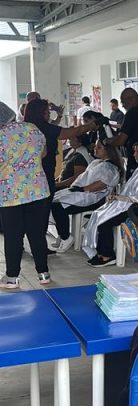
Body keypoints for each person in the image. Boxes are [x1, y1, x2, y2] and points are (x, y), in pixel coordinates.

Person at [82, 139, 138, 266]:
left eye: (137, 152)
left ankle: (108, 255)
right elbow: (128, 190)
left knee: (105, 223)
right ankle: (100, 252)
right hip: (127, 204)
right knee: (98, 215)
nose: (134, 155)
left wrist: (124, 199)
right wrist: (118, 197)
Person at [0, 101, 51, 288]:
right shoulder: (32, 128)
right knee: (37, 233)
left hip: (11, 193)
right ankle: (43, 273)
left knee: (13, 235)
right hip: (37, 190)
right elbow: (43, 153)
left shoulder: (1, 135)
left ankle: (12, 277)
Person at [50, 141, 123, 252]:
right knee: (52, 201)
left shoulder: (109, 167)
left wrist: (82, 189)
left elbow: (101, 184)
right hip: (81, 192)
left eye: (99, 147)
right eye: (95, 147)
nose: (95, 149)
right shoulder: (97, 162)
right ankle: (62, 233)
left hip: (92, 197)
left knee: (58, 206)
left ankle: (66, 237)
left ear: (108, 151)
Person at [24, 98, 97, 198]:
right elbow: (73, 132)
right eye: (47, 112)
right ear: (40, 114)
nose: (49, 114)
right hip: (43, 173)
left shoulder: (27, 128)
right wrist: (93, 124)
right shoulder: (43, 128)